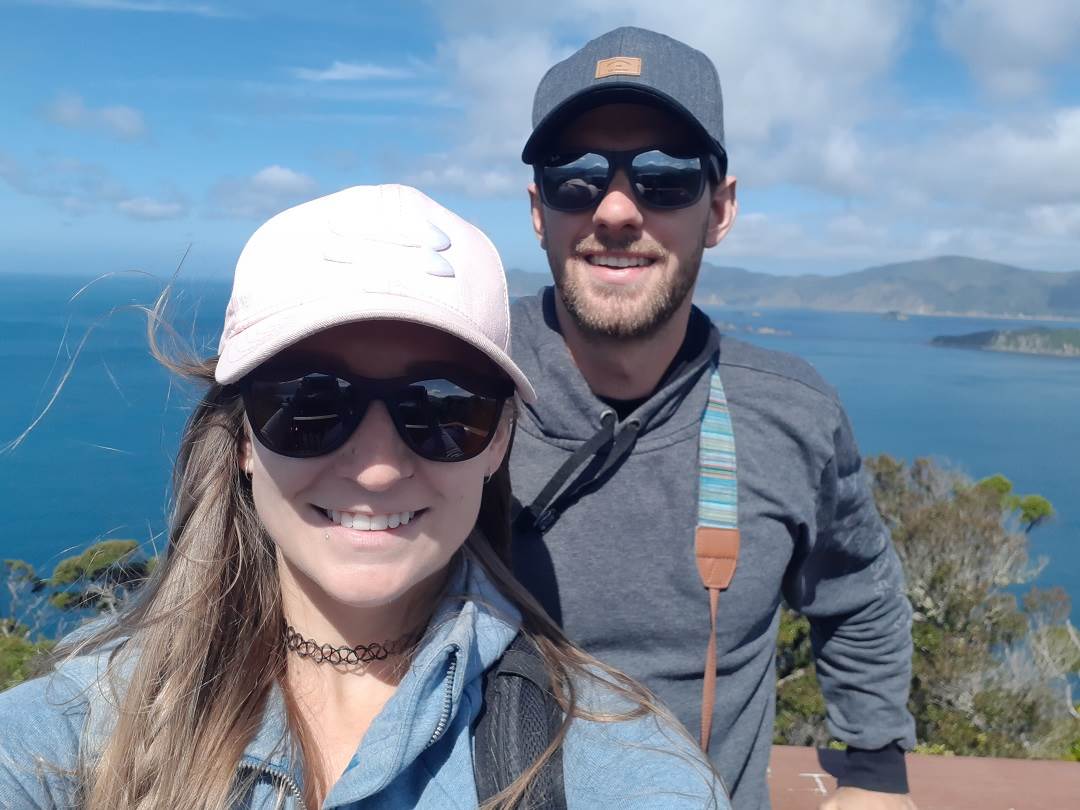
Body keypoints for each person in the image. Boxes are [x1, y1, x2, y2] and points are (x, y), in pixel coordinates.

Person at [0, 185, 727, 809]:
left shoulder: (617, 768)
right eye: (311, 403)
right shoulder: (74, 732)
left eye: (444, 409)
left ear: (500, 439)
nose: (378, 468)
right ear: (245, 436)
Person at [508, 27, 917, 810]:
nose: (618, 209)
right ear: (539, 210)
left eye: (663, 178)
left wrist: (874, 774)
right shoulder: (461, 387)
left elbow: (858, 589)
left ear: (720, 208)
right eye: (576, 178)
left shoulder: (790, 411)